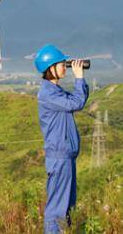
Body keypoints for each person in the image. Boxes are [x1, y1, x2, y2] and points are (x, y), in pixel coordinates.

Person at [34, 44, 89, 233]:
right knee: (57, 209)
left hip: (66, 157)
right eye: (61, 64)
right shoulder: (48, 94)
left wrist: (80, 80)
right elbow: (77, 103)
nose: (65, 67)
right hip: (59, 158)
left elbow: (76, 99)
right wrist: (79, 77)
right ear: (51, 69)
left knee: (67, 209)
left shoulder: (55, 92)